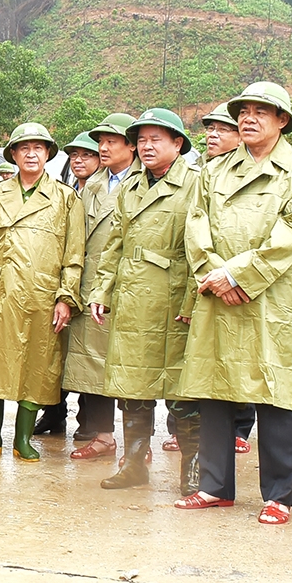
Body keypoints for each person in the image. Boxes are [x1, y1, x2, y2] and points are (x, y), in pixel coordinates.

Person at [175, 82, 292, 524]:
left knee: (274, 393)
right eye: (244, 110)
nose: (249, 118)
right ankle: (215, 486)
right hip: (217, 293)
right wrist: (215, 275)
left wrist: (238, 274)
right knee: (213, 389)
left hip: (266, 297)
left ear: (282, 121)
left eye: (261, 111)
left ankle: (278, 495)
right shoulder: (213, 171)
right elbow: (195, 225)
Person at [89, 108, 200, 492]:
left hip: (172, 304)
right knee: (132, 388)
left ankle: (192, 471)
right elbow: (114, 243)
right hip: (133, 300)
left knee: (181, 394)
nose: (147, 146)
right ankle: (134, 464)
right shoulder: (131, 186)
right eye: (142, 139)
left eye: (156, 139)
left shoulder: (196, 185)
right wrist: (102, 290)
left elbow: (201, 250)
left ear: (177, 144)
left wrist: (191, 302)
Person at [0, 123, 85, 461]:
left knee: (37, 365)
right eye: (24, 148)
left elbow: (74, 256)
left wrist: (65, 296)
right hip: (0, 292)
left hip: (43, 294)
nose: (31, 153)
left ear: (47, 154)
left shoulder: (65, 198)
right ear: (13, 154)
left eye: (38, 148)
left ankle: (23, 439)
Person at [164, 103, 255, 456]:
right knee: (192, 361)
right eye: (210, 129)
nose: (213, 135)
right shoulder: (201, 171)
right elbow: (193, 233)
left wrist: (232, 275)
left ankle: (239, 428)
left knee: (236, 355)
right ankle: (182, 428)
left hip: (238, 277)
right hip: (200, 274)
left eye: (222, 129)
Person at [57, 113, 138, 449]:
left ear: (130, 146)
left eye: (111, 142)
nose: (102, 148)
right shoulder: (91, 185)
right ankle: (102, 434)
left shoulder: (144, 181)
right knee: (93, 361)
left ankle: (138, 443)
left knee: (133, 365)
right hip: (91, 284)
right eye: (100, 142)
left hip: (129, 283)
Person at [33, 131, 100, 436]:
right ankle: (54, 412)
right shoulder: (65, 190)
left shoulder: (106, 192)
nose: (79, 161)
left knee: (88, 356)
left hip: (91, 282)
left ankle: (89, 421)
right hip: (60, 282)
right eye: (74, 155)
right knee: (56, 352)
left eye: (86, 155)